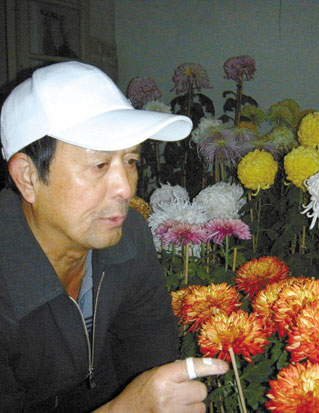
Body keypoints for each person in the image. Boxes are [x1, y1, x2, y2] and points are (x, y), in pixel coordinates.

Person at [0, 61, 228, 412]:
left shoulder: (129, 236)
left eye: (131, 160)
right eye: (99, 165)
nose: (126, 188)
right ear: (28, 177)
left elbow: (148, 357)